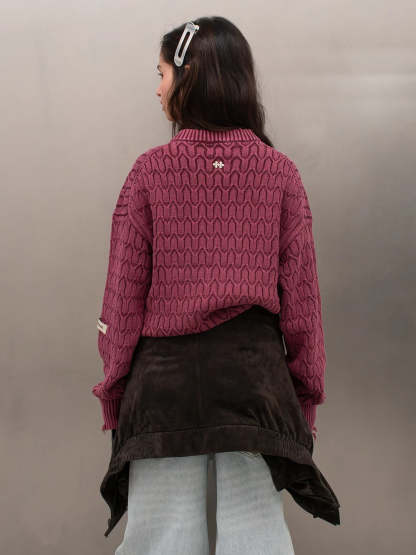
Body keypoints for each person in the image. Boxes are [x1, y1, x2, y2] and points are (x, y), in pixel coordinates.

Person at [92, 15, 341, 554]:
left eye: (162, 73)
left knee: (161, 539)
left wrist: (114, 391)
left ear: (189, 78)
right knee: (256, 538)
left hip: (164, 392)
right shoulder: (280, 174)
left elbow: (122, 298)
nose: (157, 88)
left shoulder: (149, 173)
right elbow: (303, 306)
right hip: (254, 388)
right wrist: (304, 399)